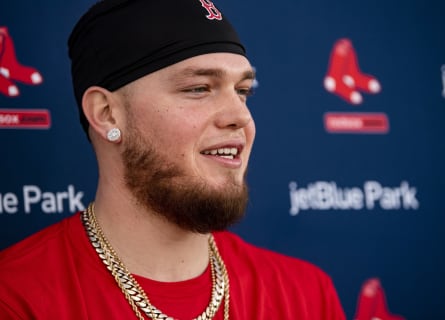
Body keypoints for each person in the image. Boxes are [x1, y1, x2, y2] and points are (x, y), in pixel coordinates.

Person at [0, 0, 346, 319]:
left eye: (242, 92)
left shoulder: (307, 295)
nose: (240, 117)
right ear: (107, 114)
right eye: (198, 89)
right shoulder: (16, 298)